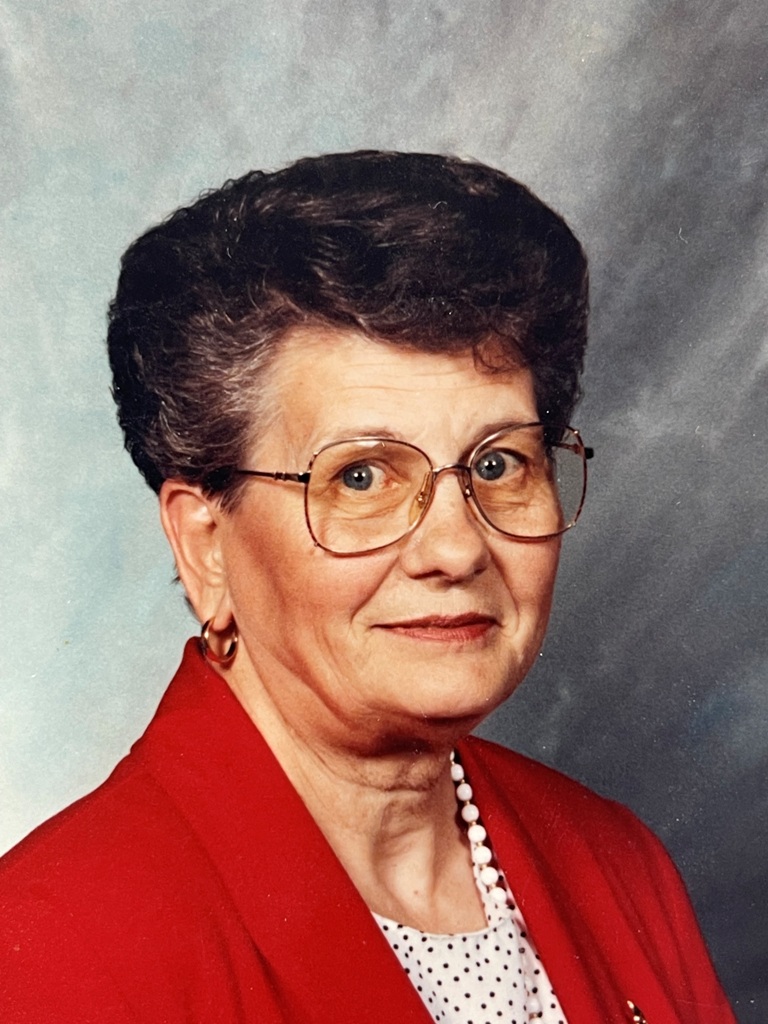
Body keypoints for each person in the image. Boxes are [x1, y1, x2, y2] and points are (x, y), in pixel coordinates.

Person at [0, 151, 734, 1024]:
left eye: (498, 464)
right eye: (360, 477)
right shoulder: (58, 949)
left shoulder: (620, 866)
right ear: (207, 546)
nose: (456, 548)